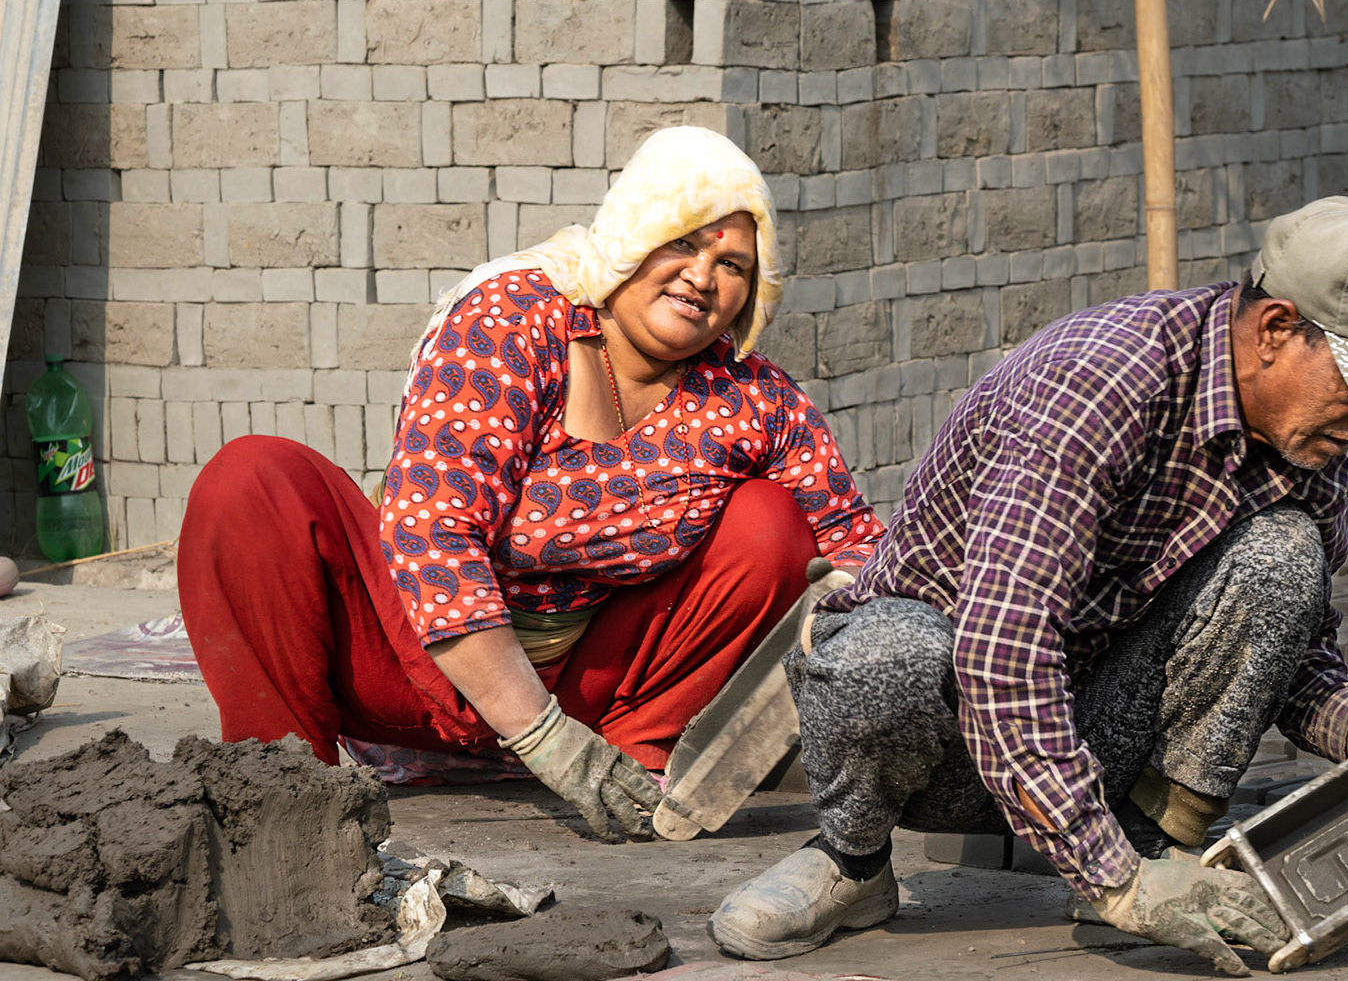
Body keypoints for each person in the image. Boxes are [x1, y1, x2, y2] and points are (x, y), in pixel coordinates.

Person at [707, 195, 1348, 975]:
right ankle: (853, 861)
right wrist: (1115, 883)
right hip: (944, 733)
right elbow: (1003, 652)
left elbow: (1279, 634)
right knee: (885, 655)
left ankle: (1151, 844)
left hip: (1099, 730)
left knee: (1284, 554)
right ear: (1275, 330)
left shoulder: (1321, 442)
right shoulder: (1097, 385)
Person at [180, 127, 883, 840]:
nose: (702, 277)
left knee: (769, 523)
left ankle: (634, 770)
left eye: (731, 263)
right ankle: (281, 798)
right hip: (410, 669)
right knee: (253, 481)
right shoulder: (513, 320)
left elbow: (859, 550)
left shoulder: (750, 397)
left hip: (594, 697)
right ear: (633, 235)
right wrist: (541, 737)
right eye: (682, 243)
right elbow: (435, 533)